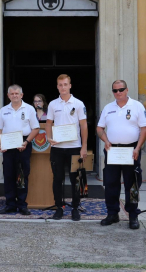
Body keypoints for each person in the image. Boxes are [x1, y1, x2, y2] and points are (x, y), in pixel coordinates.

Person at [97, 79, 146, 229]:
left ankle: (133, 215)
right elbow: (100, 128)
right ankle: (112, 213)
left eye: (121, 90)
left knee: (132, 184)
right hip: (112, 150)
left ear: (127, 90)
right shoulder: (108, 108)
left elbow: (144, 129)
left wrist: (138, 148)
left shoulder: (137, 106)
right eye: (115, 90)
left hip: (131, 150)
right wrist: (105, 140)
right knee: (111, 183)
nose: (118, 93)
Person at [45, 75, 88, 221]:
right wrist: (49, 137)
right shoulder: (52, 104)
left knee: (75, 179)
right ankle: (59, 207)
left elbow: (83, 125)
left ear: (70, 85)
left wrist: (84, 146)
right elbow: (48, 123)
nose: (63, 87)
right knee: (58, 179)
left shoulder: (79, 104)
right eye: (60, 85)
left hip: (74, 148)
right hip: (57, 148)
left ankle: (75, 208)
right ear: (57, 87)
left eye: (65, 84)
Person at [0, 84, 40, 215]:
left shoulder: (29, 109)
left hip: (23, 145)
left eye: (17, 93)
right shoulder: (3, 110)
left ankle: (22, 204)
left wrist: (26, 142)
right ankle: (10, 204)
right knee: (8, 175)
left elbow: (36, 129)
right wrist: (1, 144)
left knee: (22, 175)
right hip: (8, 147)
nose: (14, 96)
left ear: (22, 95)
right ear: (8, 95)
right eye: (12, 94)